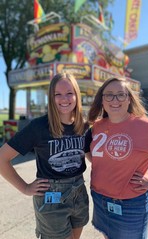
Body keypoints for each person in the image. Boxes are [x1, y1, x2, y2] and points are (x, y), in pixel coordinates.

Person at [85, 77, 148, 239]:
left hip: (129, 206)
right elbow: (93, 154)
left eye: (120, 94)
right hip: (100, 199)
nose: (115, 100)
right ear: (102, 100)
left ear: (129, 99)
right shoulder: (97, 126)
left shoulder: (146, 128)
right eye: (109, 95)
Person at [0, 73, 89, 239]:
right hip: (52, 198)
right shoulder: (39, 126)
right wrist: (25, 188)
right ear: (51, 97)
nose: (64, 98)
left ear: (77, 95)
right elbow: (1, 158)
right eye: (58, 94)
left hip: (79, 192)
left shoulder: (83, 126)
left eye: (69, 93)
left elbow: (92, 156)